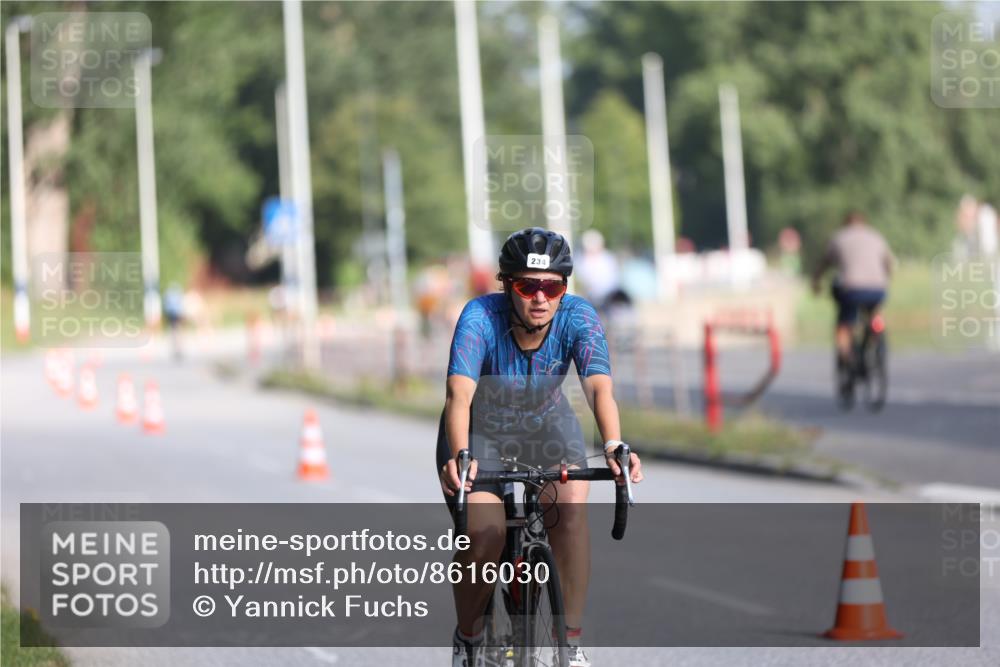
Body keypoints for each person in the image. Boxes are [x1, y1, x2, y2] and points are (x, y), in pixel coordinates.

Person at [437, 228, 643, 667]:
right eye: (526, 285)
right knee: (485, 533)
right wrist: (460, 458)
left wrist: (613, 444)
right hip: (479, 431)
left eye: (552, 286)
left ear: (564, 289)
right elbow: (458, 397)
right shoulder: (479, 317)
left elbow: (599, 389)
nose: (539, 297)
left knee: (570, 511)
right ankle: (469, 638)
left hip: (547, 426)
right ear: (506, 284)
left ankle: (570, 642)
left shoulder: (578, 317)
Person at [811, 211, 895, 371]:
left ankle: (846, 355)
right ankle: (876, 332)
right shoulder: (876, 236)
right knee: (874, 312)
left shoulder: (839, 237)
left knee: (844, 323)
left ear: (846, 223)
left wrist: (816, 282)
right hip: (878, 289)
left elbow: (825, 263)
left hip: (851, 290)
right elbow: (888, 263)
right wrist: (885, 280)